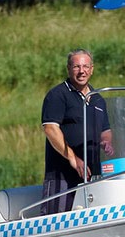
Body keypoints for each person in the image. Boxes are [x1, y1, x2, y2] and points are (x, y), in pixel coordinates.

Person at [41, 49, 114, 215]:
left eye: (86, 66)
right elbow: (51, 129)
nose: (82, 71)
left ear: (92, 69)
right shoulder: (57, 95)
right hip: (63, 175)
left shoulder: (98, 98)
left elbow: (106, 130)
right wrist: (73, 158)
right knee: (56, 222)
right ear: (68, 68)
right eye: (76, 67)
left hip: (93, 175)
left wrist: (106, 142)